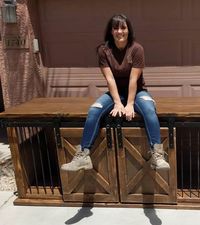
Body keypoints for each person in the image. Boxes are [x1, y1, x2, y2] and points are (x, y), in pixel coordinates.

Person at [61, 14, 170, 172]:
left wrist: (130, 104)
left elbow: (133, 80)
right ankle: (83, 156)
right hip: (115, 93)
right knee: (94, 111)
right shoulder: (103, 50)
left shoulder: (137, 49)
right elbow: (110, 79)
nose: (120, 31)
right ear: (111, 31)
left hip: (138, 92)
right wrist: (118, 103)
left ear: (128, 30)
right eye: (116, 28)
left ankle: (157, 156)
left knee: (148, 110)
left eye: (123, 27)